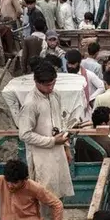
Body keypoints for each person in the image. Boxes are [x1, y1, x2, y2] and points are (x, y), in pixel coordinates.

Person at [17, 62, 74, 199]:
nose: (51, 88)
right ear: (36, 82)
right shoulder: (31, 103)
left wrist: (66, 148)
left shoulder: (55, 95)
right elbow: (24, 134)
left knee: (59, 194)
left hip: (58, 152)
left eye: (53, 84)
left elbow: (60, 123)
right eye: (47, 85)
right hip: (41, 157)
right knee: (44, 196)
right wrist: (52, 141)